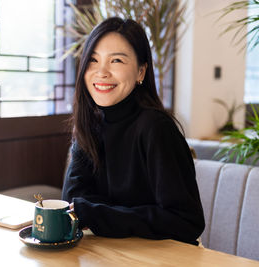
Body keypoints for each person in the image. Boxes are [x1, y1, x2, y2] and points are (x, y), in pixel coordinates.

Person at [61, 17, 205, 245]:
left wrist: (100, 214)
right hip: (112, 252)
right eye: (93, 60)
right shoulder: (90, 124)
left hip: (162, 258)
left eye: (116, 60)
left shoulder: (156, 128)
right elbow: (73, 201)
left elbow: (186, 221)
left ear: (141, 71)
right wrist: (103, 214)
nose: (102, 72)